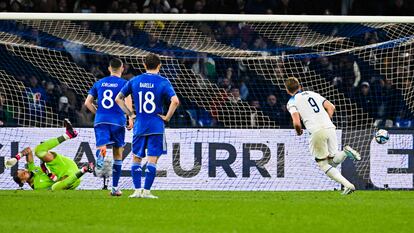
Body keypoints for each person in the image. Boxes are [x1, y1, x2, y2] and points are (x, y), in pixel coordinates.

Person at [116, 54, 179, 198]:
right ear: (159, 65)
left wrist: (131, 114)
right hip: (156, 126)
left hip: (140, 125)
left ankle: (137, 190)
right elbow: (175, 101)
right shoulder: (163, 81)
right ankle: (146, 191)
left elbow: (118, 99)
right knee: (152, 159)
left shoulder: (135, 80)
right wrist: (167, 117)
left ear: (144, 65)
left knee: (136, 158)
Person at [284, 77, 361, 195]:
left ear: (288, 91)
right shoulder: (312, 93)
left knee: (323, 164)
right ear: (300, 86)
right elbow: (331, 107)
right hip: (330, 127)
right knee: (332, 162)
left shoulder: (292, 102)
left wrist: (298, 131)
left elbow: (296, 122)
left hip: (316, 130)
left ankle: (348, 185)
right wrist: (326, 120)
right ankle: (345, 152)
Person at [84, 58, 133, 196]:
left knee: (102, 145)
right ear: (122, 68)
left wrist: (98, 113)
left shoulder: (99, 83)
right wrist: (130, 117)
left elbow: (87, 102)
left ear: (109, 68)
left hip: (101, 120)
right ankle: (115, 188)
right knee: (118, 154)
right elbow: (127, 101)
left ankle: (101, 153)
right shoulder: (125, 83)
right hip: (117, 121)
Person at [5, 119, 94, 190]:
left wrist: (16, 158)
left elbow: (28, 150)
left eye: (23, 170)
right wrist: (51, 176)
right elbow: (57, 186)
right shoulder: (38, 187)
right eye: (23, 174)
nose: (25, 171)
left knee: (38, 151)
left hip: (64, 164)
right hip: (70, 177)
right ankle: (84, 169)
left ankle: (68, 135)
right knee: (55, 188)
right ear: (23, 182)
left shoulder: (31, 169)